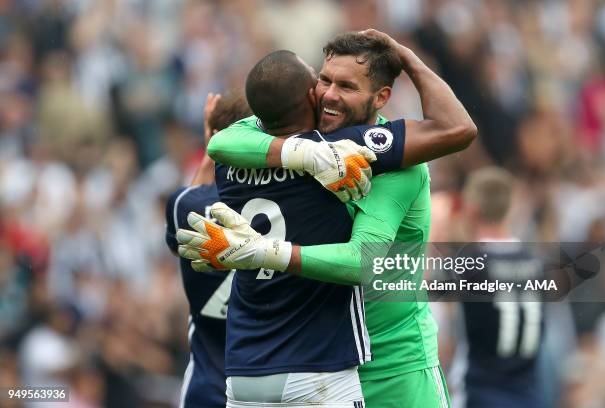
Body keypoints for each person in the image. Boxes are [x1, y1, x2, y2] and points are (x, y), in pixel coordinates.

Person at [179, 29, 476, 406]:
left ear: (381, 96)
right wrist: (302, 153)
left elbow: (361, 262)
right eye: (324, 80)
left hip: (394, 368)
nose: (330, 94)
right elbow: (223, 142)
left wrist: (408, 59)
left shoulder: (394, 162)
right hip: (326, 367)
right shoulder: (309, 139)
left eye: (347, 86)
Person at [164, 91, 252, 407]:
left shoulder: (183, 204)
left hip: (206, 388)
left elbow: (195, 196)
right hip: (272, 389)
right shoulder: (292, 203)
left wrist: (212, 143)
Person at [448, 167, 545, 408]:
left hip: (480, 390)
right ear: (510, 207)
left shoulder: (468, 263)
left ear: (470, 209)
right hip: (527, 393)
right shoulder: (535, 261)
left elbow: (447, 334)